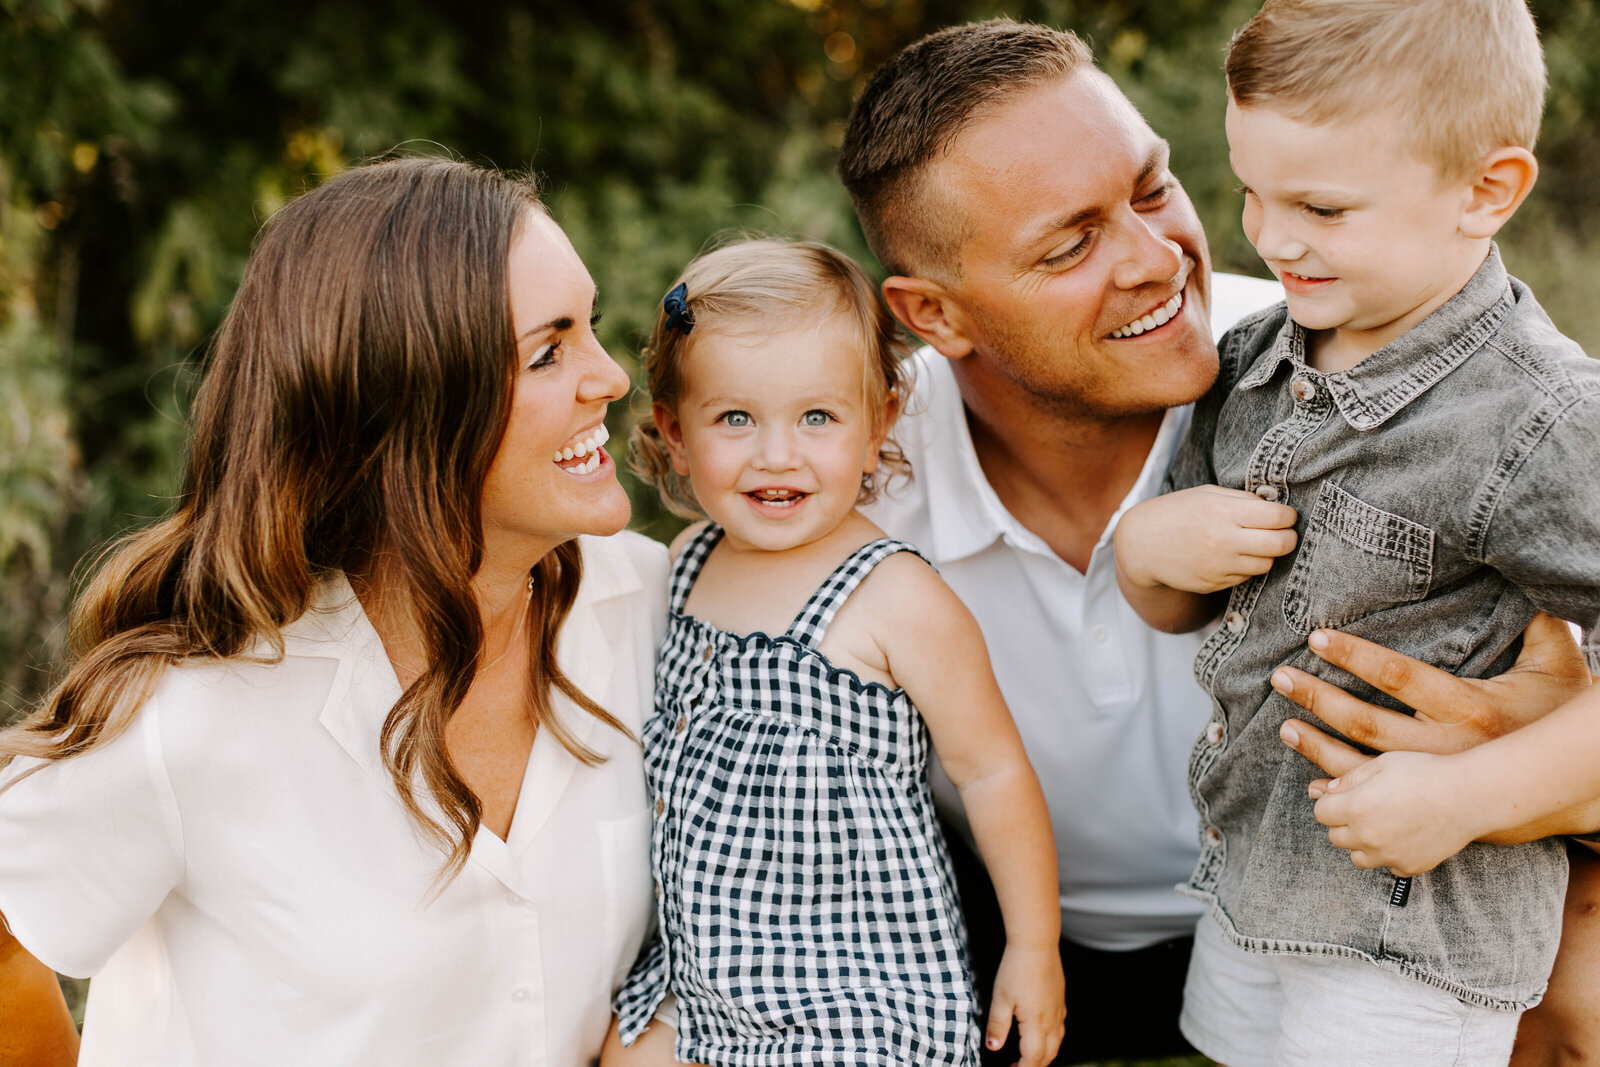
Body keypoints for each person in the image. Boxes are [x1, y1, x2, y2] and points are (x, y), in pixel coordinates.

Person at [836, 16, 1595, 1066]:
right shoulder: (850, 485)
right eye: (1069, 245)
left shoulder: (1350, 352)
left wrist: (1539, 778)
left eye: (1152, 190)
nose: (1162, 261)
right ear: (935, 314)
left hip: (1379, 913)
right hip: (1044, 939)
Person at [0, 157, 667, 1066]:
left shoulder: (654, 605)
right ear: (409, 402)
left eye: (591, 328)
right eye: (548, 352)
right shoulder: (195, 707)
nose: (611, 378)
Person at [1111, 0, 1600, 1062]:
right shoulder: (1250, 358)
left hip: (1413, 923)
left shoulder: (1539, 417)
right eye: (1250, 191)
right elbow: (1184, 604)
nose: (1271, 237)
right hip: (1252, 873)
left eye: (1321, 208)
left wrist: (1471, 793)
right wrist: (1145, 549)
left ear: (1487, 191)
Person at [605, 239, 1064, 1067]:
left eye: (817, 417)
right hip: (699, 970)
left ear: (877, 423)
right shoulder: (685, 566)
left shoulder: (894, 597)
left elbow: (994, 772)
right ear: (675, 431)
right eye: (734, 417)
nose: (777, 453)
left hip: (849, 987)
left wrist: (1033, 947)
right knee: (617, 1049)